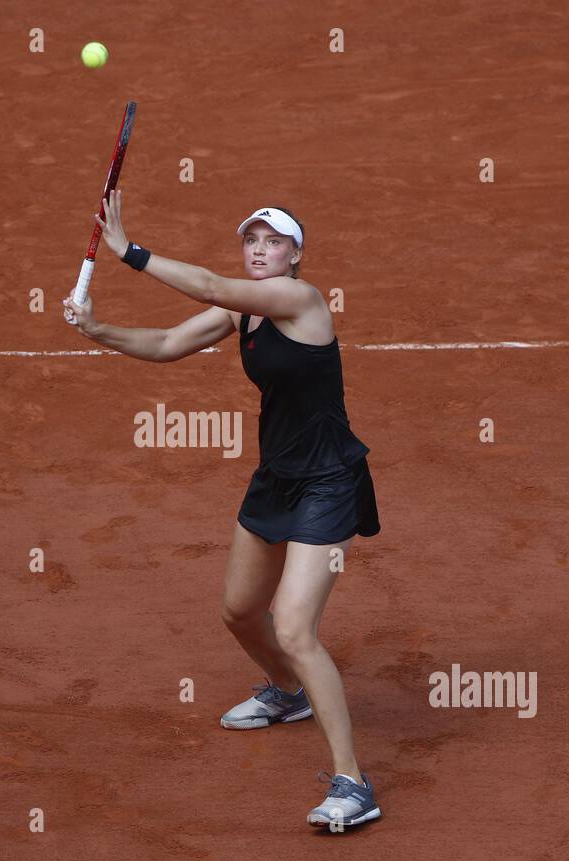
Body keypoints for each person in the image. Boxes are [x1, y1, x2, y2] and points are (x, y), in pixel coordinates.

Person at [62, 191, 382, 828]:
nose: (260, 250)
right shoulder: (244, 315)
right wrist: (97, 330)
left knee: (293, 628)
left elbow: (210, 284)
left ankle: (353, 782)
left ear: (297, 257)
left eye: (273, 242)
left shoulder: (301, 299)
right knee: (239, 611)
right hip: (276, 478)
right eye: (252, 241)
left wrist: (131, 253)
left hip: (327, 483)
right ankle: (288, 694)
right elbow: (164, 344)